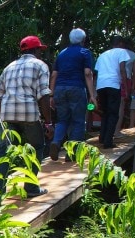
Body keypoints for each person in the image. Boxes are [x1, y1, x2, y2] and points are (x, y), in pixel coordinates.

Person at [0, 35, 53, 204]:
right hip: (29, 115)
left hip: (9, 116)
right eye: (40, 50)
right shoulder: (40, 66)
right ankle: (31, 188)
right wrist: (48, 122)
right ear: (37, 50)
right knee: (37, 147)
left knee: (4, 154)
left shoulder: (9, 67)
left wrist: (5, 113)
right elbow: (44, 96)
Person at [48, 28, 98, 161]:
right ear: (83, 40)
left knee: (62, 120)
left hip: (59, 89)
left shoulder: (62, 54)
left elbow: (54, 75)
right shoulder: (85, 52)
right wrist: (92, 95)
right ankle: (73, 153)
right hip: (76, 88)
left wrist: (51, 95)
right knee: (78, 121)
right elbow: (87, 73)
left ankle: (56, 142)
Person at [94, 35, 131, 149]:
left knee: (105, 112)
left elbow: (97, 72)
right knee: (113, 113)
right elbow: (122, 69)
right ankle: (108, 141)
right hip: (113, 84)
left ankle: (102, 137)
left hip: (101, 85)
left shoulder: (102, 55)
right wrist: (126, 88)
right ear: (120, 43)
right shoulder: (122, 52)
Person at [114, 37, 135, 136]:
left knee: (113, 105)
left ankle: (110, 129)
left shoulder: (113, 53)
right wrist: (133, 87)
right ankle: (117, 130)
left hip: (113, 79)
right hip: (125, 79)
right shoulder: (133, 55)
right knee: (121, 106)